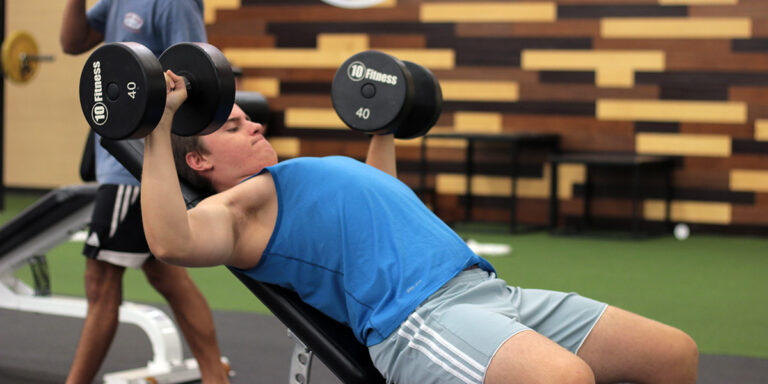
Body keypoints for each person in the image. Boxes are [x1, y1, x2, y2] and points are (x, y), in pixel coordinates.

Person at [145, 70, 699, 384]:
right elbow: (172, 241)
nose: (255, 122)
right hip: (420, 319)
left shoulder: (294, 175)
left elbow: (383, 195)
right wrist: (157, 124)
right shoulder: (239, 212)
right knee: (562, 380)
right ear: (198, 163)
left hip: (491, 293)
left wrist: (383, 126)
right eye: (236, 125)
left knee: (673, 353)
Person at [60, 1, 229, 383]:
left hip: (135, 167)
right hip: (118, 153)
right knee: (164, 275)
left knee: (100, 280)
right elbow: (74, 42)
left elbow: (195, 78)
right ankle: (214, 376)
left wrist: (172, 165)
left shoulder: (172, 3)